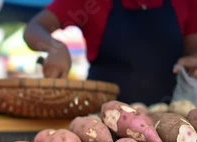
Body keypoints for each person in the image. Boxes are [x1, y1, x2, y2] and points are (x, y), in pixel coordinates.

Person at [23, 0, 197, 105]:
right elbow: (34, 28)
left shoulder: (185, 2)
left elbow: (193, 52)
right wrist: (55, 47)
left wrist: (193, 61)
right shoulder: (91, 4)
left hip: (169, 121)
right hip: (102, 123)